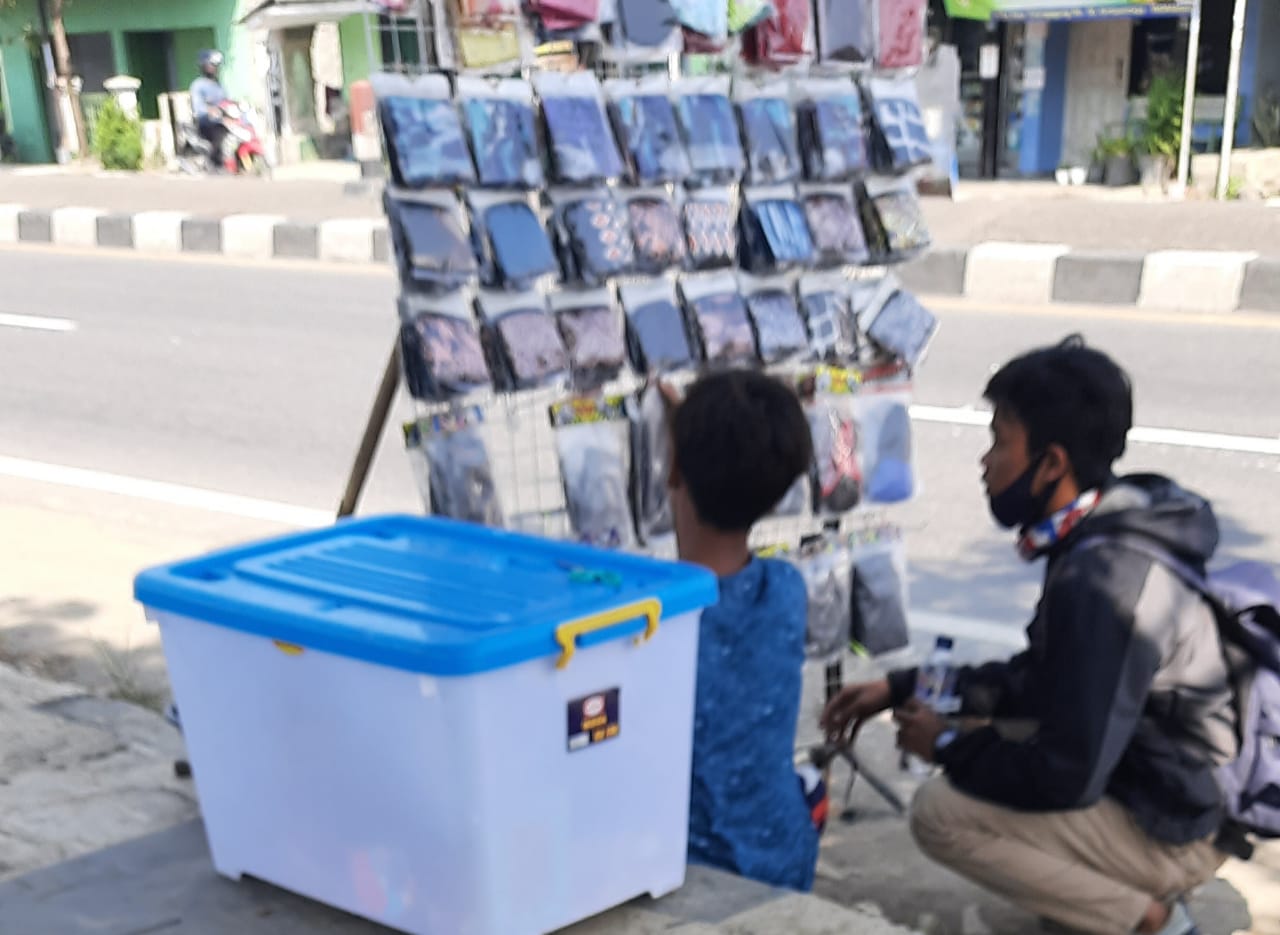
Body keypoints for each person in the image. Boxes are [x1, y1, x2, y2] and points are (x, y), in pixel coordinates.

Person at [822, 336, 1236, 935]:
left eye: (999, 442)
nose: (986, 462)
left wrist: (942, 746)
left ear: (1052, 464)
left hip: (1177, 819)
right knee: (989, 727)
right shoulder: (1109, 524)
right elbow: (1040, 680)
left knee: (940, 814)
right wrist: (903, 686)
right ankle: (1097, 890)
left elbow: (1068, 771)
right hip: (1170, 779)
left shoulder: (1104, 582)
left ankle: (1151, 918)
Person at [664, 370, 824, 891]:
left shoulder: (650, 620)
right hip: (784, 854)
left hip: (688, 872)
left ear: (673, 473)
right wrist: (686, 447)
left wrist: (681, 445)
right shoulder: (785, 590)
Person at [190, 50, 229, 171]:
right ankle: (215, 161)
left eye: (215, 66)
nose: (214, 68)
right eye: (211, 65)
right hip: (205, 121)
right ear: (204, 66)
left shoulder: (218, 85)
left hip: (220, 120)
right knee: (219, 132)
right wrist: (210, 110)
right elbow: (198, 107)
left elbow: (225, 101)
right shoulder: (198, 85)